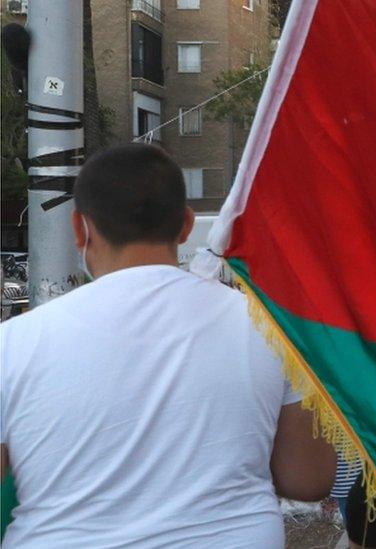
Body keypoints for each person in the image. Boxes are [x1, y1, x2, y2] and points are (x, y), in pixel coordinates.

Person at [0, 144, 337, 547]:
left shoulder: (14, 342)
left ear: (79, 229)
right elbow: (308, 478)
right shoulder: (270, 332)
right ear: (186, 225)